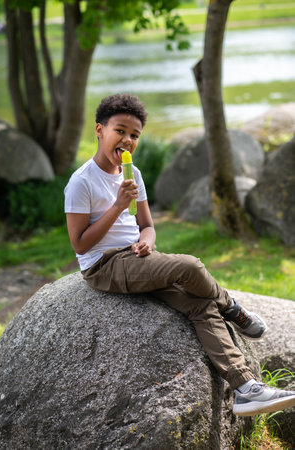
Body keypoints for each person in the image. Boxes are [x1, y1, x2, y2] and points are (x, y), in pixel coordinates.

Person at [64, 93, 295, 416]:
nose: (128, 140)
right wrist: (117, 205)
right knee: (190, 266)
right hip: (105, 266)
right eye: (120, 130)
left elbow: (147, 226)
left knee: (200, 305)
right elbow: (79, 244)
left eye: (135, 135)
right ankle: (232, 308)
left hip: (137, 259)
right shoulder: (82, 182)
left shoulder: (134, 175)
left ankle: (245, 388)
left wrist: (146, 240)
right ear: (100, 130)